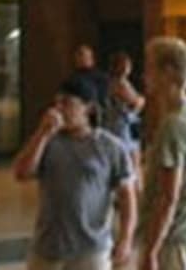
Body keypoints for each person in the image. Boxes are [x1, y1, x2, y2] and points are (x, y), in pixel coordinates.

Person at [13, 75, 137, 270]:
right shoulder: (48, 142)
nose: (59, 110)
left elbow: (127, 197)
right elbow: (21, 172)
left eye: (67, 104)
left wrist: (126, 238)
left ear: (88, 108)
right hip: (47, 248)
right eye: (57, 104)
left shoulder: (110, 147)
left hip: (91, 250)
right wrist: (42, 133)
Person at [139, 37, 186, 270]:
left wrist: (151, 250)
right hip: (184, 235)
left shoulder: (174, 125)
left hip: (173, 239)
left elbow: (169, 196)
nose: (144, 75)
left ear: (167, 72)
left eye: (149, 67)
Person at [103, 52, 145, 172]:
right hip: (122, 126)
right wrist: (141, 100)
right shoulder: (119, 84)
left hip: (122, 124)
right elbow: (134, 102)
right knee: (131, 161)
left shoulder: (120, 82)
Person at [70, 44, 110, 112]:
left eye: (82, 55)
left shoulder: (101, 77)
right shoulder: (72, 78)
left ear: (91, 58)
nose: (80, 59)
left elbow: (102, 99)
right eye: (78, 56)